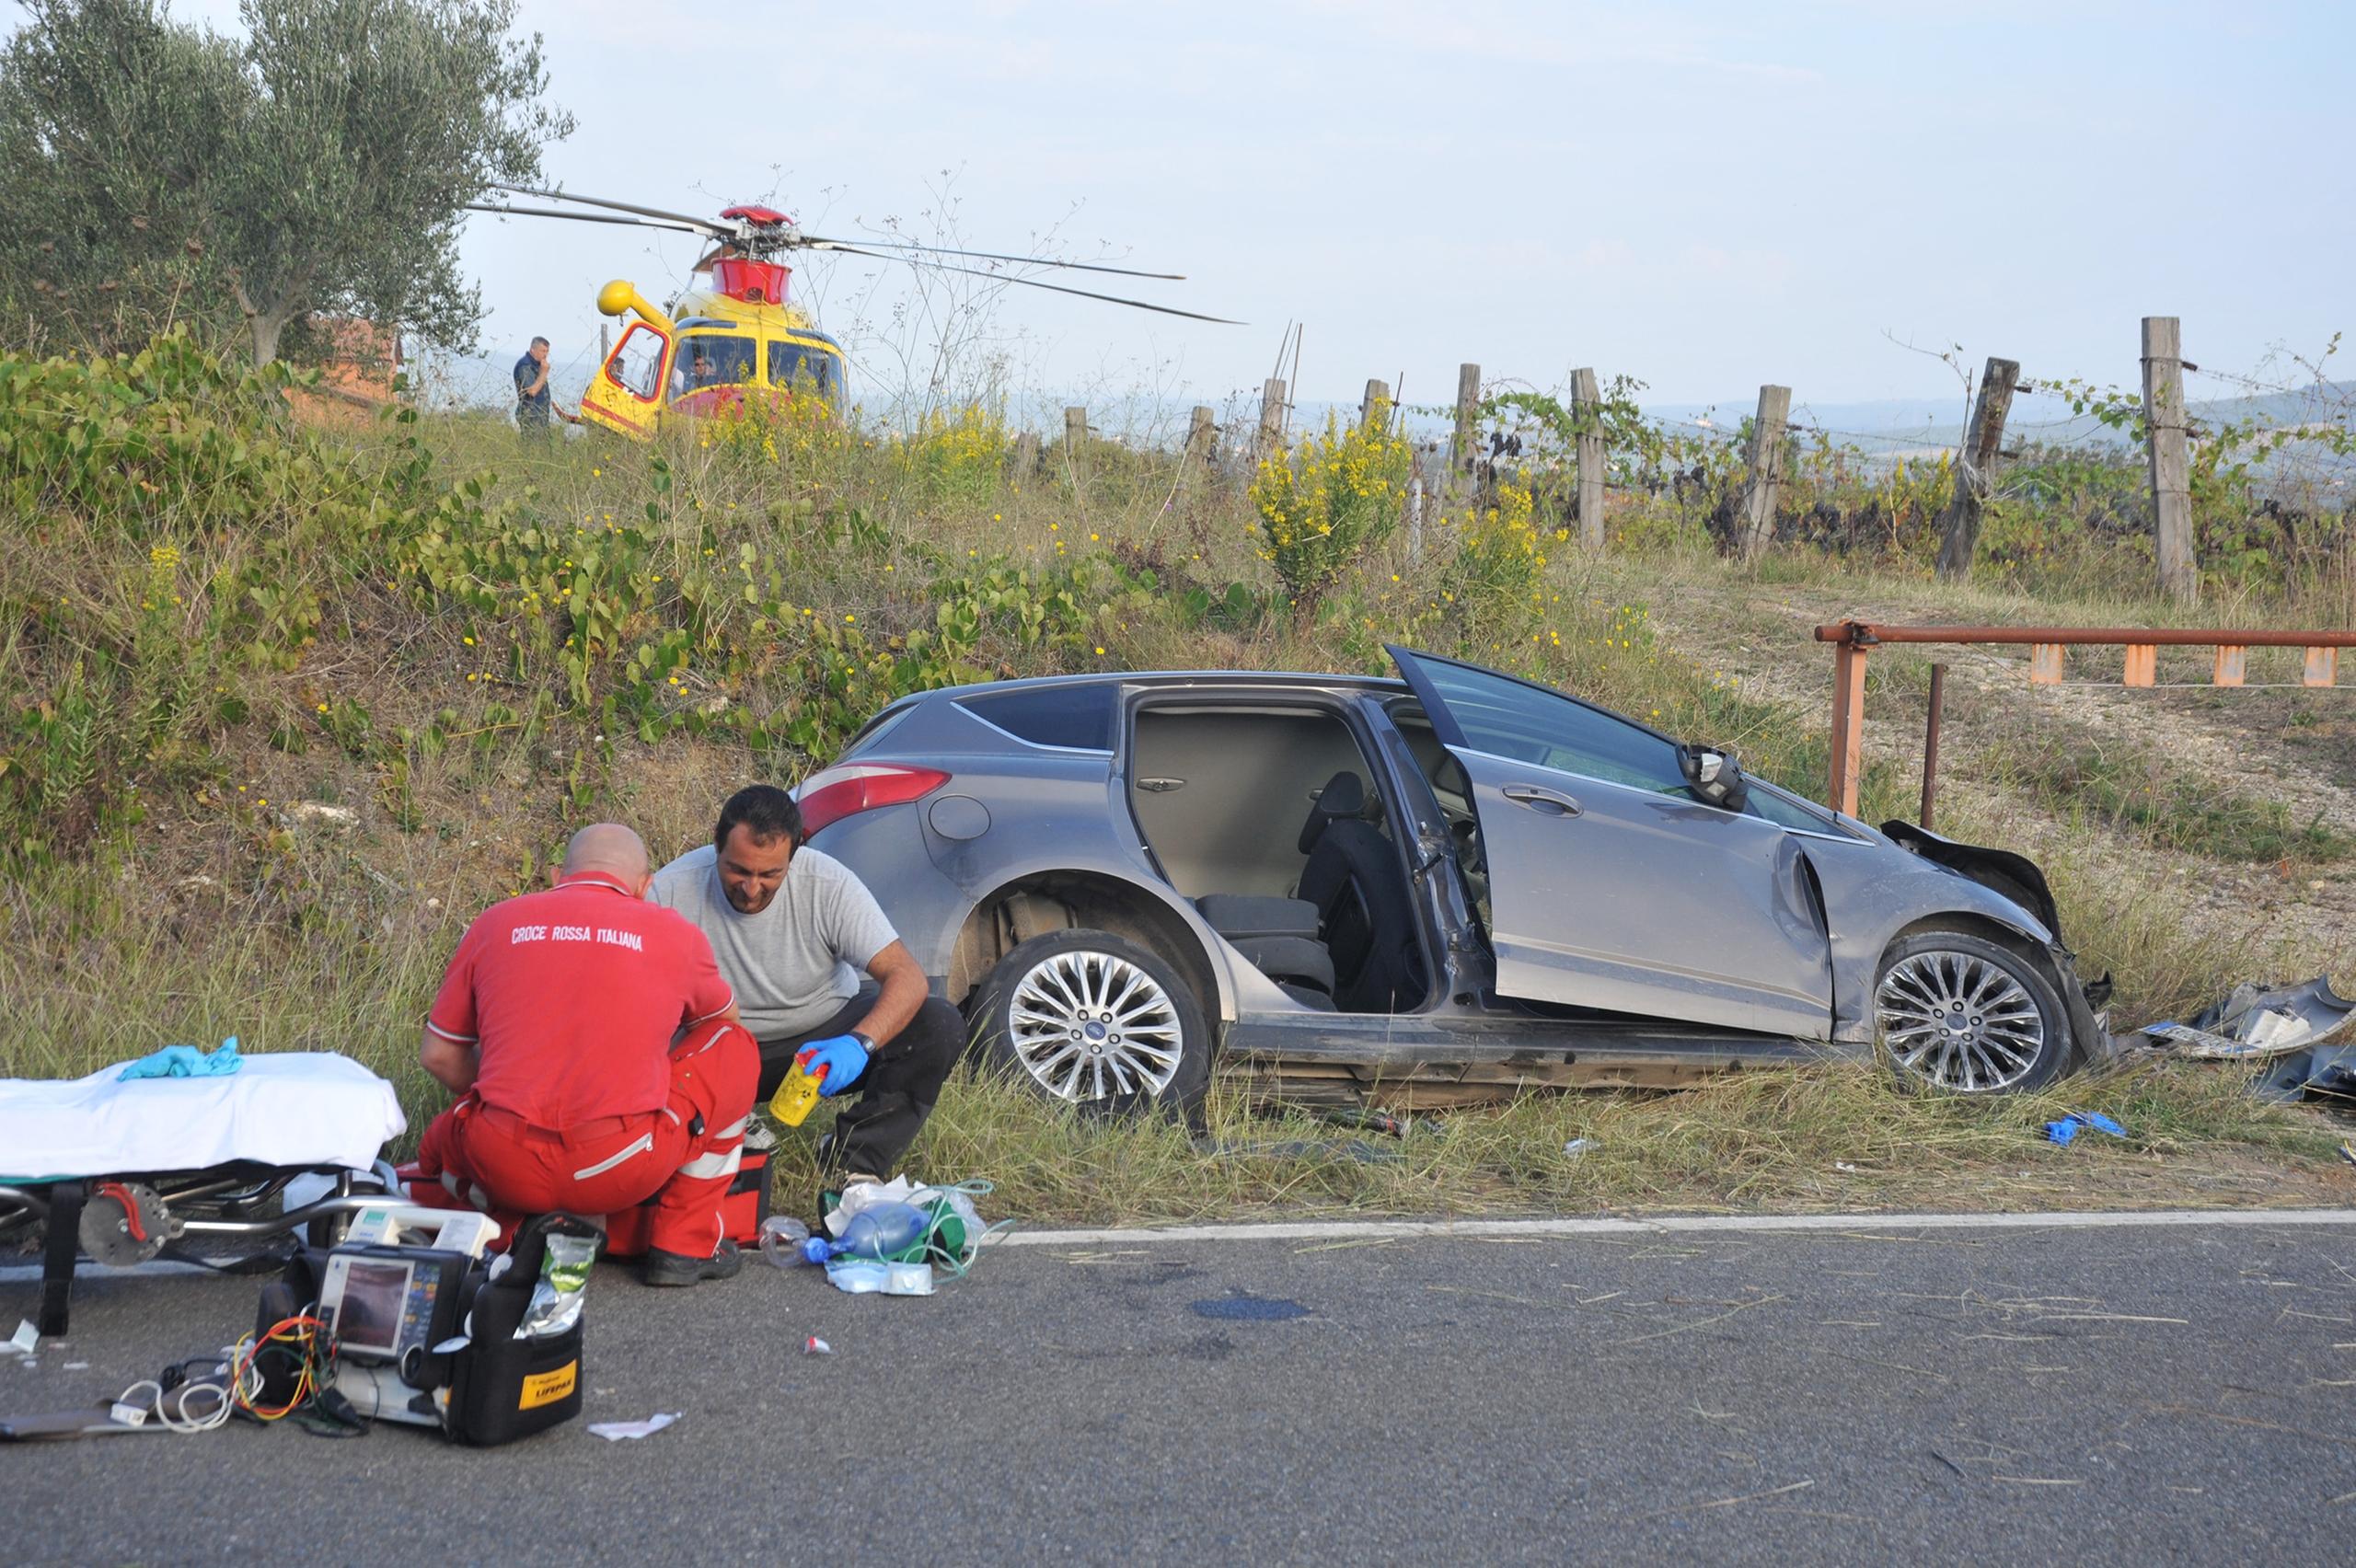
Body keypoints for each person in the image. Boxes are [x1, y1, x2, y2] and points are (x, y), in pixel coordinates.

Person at [414, 824, 758, 1286]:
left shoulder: (495, 922)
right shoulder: (675, 933)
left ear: (558, 876)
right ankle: (682, 1247)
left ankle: (512, 1225)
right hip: (622, 1164)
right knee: (734, 1050)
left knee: (447, 1142)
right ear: (643, 885)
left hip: (502, 1161)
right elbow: (723, 1024)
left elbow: (439, 1055)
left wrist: (510, 1096)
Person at [650, 785, 965, 1205]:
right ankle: (712, 1133)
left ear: (794, 856)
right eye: (739, 870)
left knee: (937, 1023)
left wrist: (859, 1043)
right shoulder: (670, 890)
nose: (751, 888)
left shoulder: (828, 883)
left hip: (819, 1043)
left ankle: (854, 1160)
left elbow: (906, 976)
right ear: (716, 846)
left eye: (770, 874)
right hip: (714, 1053)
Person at [513, 336, 580, 436]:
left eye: (547, 351)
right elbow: (532, 391)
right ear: (533, 350)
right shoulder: (525, 365)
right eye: (542, 351)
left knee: (543, 446)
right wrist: (544, 372)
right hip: (531, 415)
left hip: (540, 415)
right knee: (533, 447)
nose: (545, 355)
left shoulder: (537, 365)